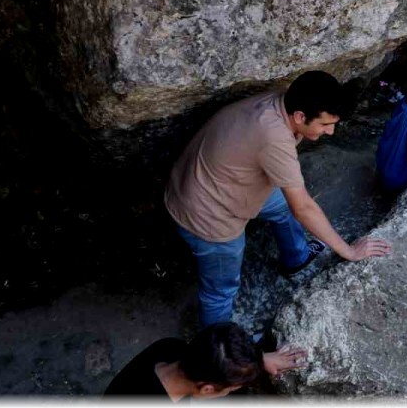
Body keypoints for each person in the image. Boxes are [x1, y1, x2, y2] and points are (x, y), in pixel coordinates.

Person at [165, 71, 392, 328]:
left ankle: (295, 258)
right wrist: (349, 251)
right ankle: (219, 356)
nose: (330, 132)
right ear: (300, 117)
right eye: (325, 124)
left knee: (282, 204)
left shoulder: (281, 103)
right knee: (221, 292)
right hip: (206, 214)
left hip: (209, 181)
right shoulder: (273, 138)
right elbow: (303, 206)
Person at [104, 321, 305, 399]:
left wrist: (257, 360)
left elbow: (220, 351)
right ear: (207, 389)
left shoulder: (170, 348)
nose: (231, 391)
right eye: (229, 388)